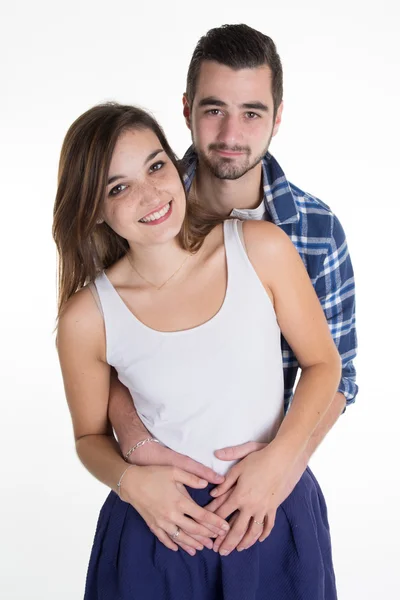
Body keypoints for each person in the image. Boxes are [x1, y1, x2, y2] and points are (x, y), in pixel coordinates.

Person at [54, 102, 341, 599]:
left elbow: (325, 364)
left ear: (176, 163)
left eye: (156, 165)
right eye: (117, 188)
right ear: (94, 209)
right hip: (160, 530)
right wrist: (130, 483)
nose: (150, 194)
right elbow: (88, 437)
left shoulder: (260, 247)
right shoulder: (86, 318)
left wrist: (280, 460)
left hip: (271, 510)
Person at [107, 23, 358, 556]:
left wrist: (281, 467)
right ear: (186, 108)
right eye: (214, 108)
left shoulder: (314, 230)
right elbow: (104, 356)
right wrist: (135, 448)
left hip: (266, 498)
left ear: (278, 117)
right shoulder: (139, 207)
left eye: (252, 113)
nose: (230, 134)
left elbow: (340, 372)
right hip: (163, 507)